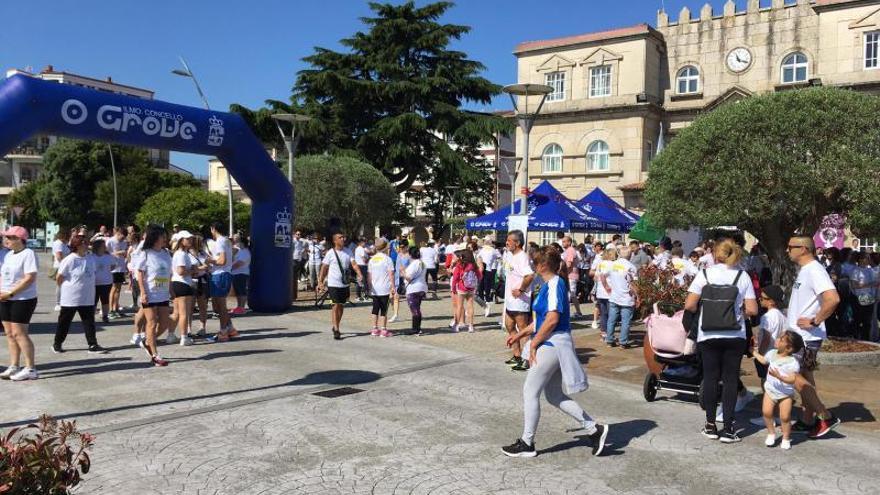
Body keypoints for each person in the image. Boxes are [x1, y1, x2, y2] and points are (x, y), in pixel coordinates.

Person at [501, 247, 608, 458]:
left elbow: (552, 320)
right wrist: (520, 334)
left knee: (530, 392)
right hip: (552, 344)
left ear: (542, 265)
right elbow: (541, 320)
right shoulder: (548, 285)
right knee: (554, 395)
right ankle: (594, 429)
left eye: (534, 262)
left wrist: (532, 345)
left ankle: (527, 442)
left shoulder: (555, 284)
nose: (532, 265)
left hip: (552, 345)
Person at [685, 238, 758, 443]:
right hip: (734, 335)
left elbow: (690, 305)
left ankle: (710, 425)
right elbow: (752, 310)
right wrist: (737, 313)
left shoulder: (705, 274)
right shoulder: (742, 276)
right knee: (730, 380)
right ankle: (728, 428)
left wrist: (708, 310)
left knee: (709, 378)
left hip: (707, 333)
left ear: (716, 254)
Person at [785, 236, 842, 438]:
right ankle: (808, 420)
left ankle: (825, 415)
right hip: (799, 336)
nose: (787, 250)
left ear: (804, 249)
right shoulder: (807, 270)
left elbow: (833, 299)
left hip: (805, 337)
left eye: (791, 247)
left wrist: (815, 321)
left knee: (792, 376)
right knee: (806, 377)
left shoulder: (815, 270)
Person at [54, 228, 107, 354]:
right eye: (83, 243)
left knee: (89, 322)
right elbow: (59, 278)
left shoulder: (90, 258)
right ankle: (57, 344)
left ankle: (92, 345)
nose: (86, 245)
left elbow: (92, 274)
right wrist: (68, 290)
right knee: (64, 322)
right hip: (71, 298)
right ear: (76, 246)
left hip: (87, 297)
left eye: (86, 242)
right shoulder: (70, 259)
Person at [754, 331, 805, 450]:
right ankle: (771, 433)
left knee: (785, 417)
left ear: (789, 348)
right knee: (766, 412)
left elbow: (792, 379)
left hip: (785, 394)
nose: (777, 340)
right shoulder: (772, 353)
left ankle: (786, 438)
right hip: (770, 390)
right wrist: (754, 352)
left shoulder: (793, 362)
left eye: (781, 340)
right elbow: (763, 360)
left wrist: (779, 377)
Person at [0, 227, 40, 381]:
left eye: (9, 237)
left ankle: (30, 368)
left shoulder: (28, 254)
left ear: (19, 239)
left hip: (23, 299)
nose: (6, 240)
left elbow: (29, 278)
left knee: (19, 333)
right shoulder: (8, 255)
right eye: (5, 237)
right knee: (9, 333)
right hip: (5, 298)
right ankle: (14, 365)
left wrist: (11, 293)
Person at [135, 225, 173, 366]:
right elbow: (139, 273)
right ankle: (155, 355)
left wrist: (171, 290)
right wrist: (143, 292)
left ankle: (148, 342)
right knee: (151, 323)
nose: (165, 238)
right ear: (155, 237)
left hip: (163, 294)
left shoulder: (166, 253)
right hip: (149, 294)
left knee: (164, 324)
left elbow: (168, 273)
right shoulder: (145, 253)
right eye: (162, 236)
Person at [319, 231, 364, 340]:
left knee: (341, 306)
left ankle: (336, 325)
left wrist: (359, 274)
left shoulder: (348, 251)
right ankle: (337, 329)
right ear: (335, 240)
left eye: (344, 237)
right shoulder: (330, 253)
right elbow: (324, 268)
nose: (343, 239)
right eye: (340, 237)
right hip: (333, 284)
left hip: (344, 284)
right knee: (335, 305)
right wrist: (320, 282)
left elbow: (354, 264)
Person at [503, 231, 535, 372]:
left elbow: (529, 276)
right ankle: (516, 355)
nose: (507, 243)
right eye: (507, 240)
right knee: (509, 326)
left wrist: (521, 290)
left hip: (520, 300)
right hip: (510, 300)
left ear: (517, 243)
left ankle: (527, 359)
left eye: (509, 240)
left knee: (523, 330)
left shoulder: (523, 257)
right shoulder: (511, 255)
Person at [602, 246, 639, 348]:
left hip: (614, 296)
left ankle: (609, 339)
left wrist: (606, 287)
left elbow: (602, 275)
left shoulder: (613, 264)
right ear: (630, 254)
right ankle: (623, 342)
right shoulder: (631, 267)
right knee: (626, 321)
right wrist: (638, 296)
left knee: (612, 319)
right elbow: (633, 284)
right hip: (627, 297)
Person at [206, 222, 237, 341]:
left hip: (220, 275)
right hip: (224, 273)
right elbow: (231, 258)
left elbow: (222, 261)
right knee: (220, 305)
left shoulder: (219, 241)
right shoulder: (227, 241)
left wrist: (210, 261)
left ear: (213, 229)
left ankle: (223, 332)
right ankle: (230, 329)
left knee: (220, 306)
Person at [171, 231, 198, 346]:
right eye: (187, 239)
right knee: (184, 313)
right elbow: (181, 271)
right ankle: (184, 337)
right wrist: (194, 270)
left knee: (176, 313)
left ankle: (171, 335)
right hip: (183, 284)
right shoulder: (181, 254)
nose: (190, 240)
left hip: (178, 283)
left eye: (191, 238)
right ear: (181, 240)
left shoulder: (181, 253)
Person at [366, 239, 394, 337]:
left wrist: (369, 287)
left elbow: (369, 276)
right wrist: (393, 287)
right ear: (385, 247)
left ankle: (374, 329)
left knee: (375, 309)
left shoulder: (372, 260)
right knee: (384, 310)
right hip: (385, 288)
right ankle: (384, 330)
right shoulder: (387, 259)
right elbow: (391, 274)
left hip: (375, 288)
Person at [452, 248, 480, 333]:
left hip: (461, 288)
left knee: (459, 307)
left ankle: (456, 325)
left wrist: (453, 287)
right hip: (471, 288)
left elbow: (455, 278)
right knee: (470, 306)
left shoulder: (460, 265)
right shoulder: (474, 265)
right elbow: (480, 276)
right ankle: (471, 326)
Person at [850, 252, 876, 341]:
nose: (869, 260)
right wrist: (868, 285)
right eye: (866, 258)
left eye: (869, 258)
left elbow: (875, 283)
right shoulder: (856, 270)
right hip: (859, 298)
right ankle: (856, 338)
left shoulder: (870, 270)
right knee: (858, 320)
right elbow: (854, 285)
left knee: (867, 321)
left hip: (869, 297)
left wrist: (865, 285)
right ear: (860, 259)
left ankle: (866, 339)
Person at [592, 247, 617, 337]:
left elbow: (595, 277)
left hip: (600, 292)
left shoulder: (600, 263)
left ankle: (603, 332)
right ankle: (610, 333)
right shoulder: (613, 264)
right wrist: (607, 286)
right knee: (611, 314)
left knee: (603, 313)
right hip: (609, 291)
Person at [404, 245, 428, 336]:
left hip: (413, 288)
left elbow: (409, 278)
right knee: (417, 308)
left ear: (410, 255)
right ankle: (417, 328)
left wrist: (402, 273)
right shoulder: (422, 263)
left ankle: (416, 329)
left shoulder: (414, 264)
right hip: (422, 287)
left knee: (414, 309)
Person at [106, 227, 129, 319]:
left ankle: (116, 308)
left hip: (121, 267)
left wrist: (124, 253)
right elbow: (105, 253)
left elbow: (125, 253)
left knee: (118, 289)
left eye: (124, 237)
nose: (123, 239)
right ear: (118, 233)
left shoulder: (124, 242)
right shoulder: (110, 241)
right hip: (113, 268)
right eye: (122, 237)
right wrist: (117, 252)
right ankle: (110, 310)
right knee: (113, 288)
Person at [91, 238, 115, 324]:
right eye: (103, 246)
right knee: (93, 300)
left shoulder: (109, 256)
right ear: (98, 247)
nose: (105, 247)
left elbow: (113, 266)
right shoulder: (91, 257)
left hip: (106, 282)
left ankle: (105, 316)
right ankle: (91, 317)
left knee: (105, 300)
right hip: (94, 283)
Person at [561, 236, 583, 318]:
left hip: (570, 276)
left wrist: (560, 270)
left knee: (569, 295)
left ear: (569, 242)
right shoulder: (567, 250)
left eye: (564, 241)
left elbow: (569, 264)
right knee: (572, 295)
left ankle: (565, 314)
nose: (562, 243)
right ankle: (578, 312)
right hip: (569, 275)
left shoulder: (570, 250)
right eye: (562, 241)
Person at [477, 238, 500, 317]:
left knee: (481, 289)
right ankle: (486, 305)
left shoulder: (482, 250)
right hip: (488, 270)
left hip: (483, 271)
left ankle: (485, 305)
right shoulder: (493, 250)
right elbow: (499, 257)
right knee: (486, 290)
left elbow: (478, 258)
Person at [389, 240, 410, 323]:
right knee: (393, 297)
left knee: (409, 298)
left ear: (407, 247)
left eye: (402, 247)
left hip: (406, 279)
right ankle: (395, 314)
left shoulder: (410, 256)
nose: (401, 249)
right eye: (400, 247)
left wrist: (405, 271)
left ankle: (415, 313)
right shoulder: (399, 255)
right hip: (397, 279)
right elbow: (396, 268)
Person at [230, 234, 251, 315]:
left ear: (241, 242)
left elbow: (239, 263)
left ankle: (242, 308)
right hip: (236, 273)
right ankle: (239, 307)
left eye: (236, 240)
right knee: (238, 291)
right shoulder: (240, 250)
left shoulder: (245, 251)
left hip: (241, 273)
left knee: (241, 291)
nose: (235, 242)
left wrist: (229, 268)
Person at [51, 229, 71, 312]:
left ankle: (63, 301)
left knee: (64, 285)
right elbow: (59, 256)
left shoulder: (63, 243)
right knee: (60, 285)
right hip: (60, 266)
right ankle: (58, 303)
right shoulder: (58, 243)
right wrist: (66, 264)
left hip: (64, 266)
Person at [354, 238, 370, 303]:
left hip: (359, 265)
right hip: (362, 266)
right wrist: (368, 258)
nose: (365, 243)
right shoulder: (360, 249)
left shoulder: (359, 248)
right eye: (364, 242)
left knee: (359, 281)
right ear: (361, 242)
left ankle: (358, 296)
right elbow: (364, 259)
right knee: (364, 281)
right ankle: (365, 297)